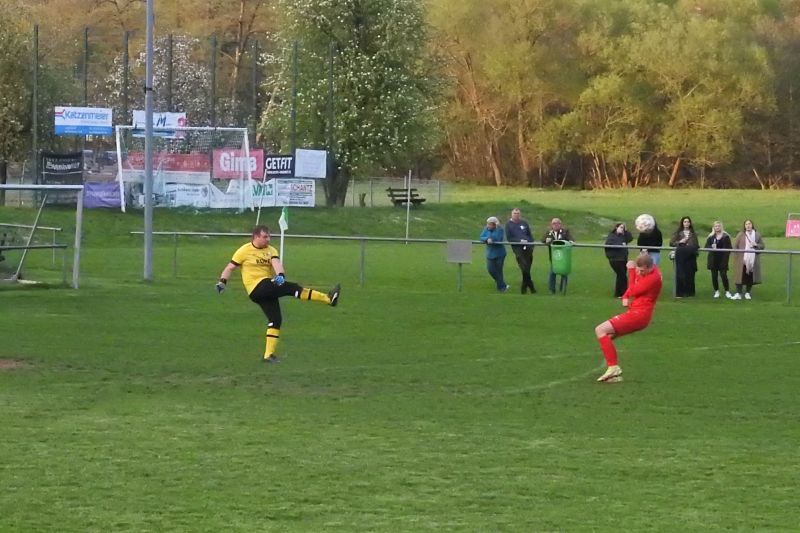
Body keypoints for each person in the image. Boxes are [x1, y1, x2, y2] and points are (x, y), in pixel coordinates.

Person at [216, 225, 341, 363]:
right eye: (265, 237)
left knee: (275, 320)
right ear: (256, 237)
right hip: (257, 288)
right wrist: (222, 282)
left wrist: (280, 275)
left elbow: (276, 264)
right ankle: (328, 299)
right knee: (292, 288)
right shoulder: (244, 250)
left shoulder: (271, 250)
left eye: (269, 236)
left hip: (266, 289)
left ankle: (268, 355)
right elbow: (230, 267)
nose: (268, 239)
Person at [594, 254, 663, 382]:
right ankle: (614, 375)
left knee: (600, 330)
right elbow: (634, 287)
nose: (639, 272)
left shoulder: (653, 278)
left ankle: (613, 367)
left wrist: (631, 271)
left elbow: (633, 290)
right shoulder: (648, 272)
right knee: (607, 336)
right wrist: (625, 296)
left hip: (639, 315)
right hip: (637, 313)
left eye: (642, 270)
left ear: (650, 267)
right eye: (638, 270)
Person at [731, 219, 765, 300]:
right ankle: (739, 293)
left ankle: (747, 293)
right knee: (739, 276)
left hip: (752, 260)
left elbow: (762, 246)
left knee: (750, 277)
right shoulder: (740, 235)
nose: (748, 225)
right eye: (746, 224)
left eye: (749, 224)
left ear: (752, 225)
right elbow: (735, 246)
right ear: (744, 226)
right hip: (742, 260)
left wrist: (756, 245)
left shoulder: (757, 235)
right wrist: (737, 257)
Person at [505, 208, 536, 294]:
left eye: (518, 213)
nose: (516, 215)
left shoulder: (524, 223)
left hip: (528, 247)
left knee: (527, 268)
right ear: (512, 214)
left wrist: (531, 244)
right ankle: (531, 287)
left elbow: (529, 235)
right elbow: (509, 238)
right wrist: (519, 241)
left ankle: (524, 288)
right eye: (515, 213)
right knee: (524, 268)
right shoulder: (508, 225)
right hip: (518, 249)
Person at [669, 216, 699, 298]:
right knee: (680, 274)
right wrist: (680, 242)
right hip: (681, 256)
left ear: (690, 223)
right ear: (682, 223)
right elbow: (671, 243)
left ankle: (690, 293)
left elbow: (696, 244)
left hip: (690, 256)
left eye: (688, 222)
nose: (686, 223)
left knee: (690, 274)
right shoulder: (678, 233)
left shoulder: (693, 234)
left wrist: (691, 247)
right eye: (685, 222)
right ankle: (680, 293)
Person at [542, 217, 574, 294]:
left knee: (564, 273)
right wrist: (546, 240)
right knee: (552, 273)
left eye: (557, 223)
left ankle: (563, 289)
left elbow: (570, 239)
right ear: (551, 225)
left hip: (564, 257)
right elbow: (543, 240)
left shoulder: (565, 232)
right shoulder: (549, 232)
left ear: (560, 224)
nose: (555, 225)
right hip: (554, 257)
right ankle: (551, 289)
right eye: (554, 223)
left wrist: (571, 241)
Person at [704, 220, 733, 299]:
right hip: (713, 259)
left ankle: (727, 291)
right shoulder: (711, 237)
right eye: (716, 226)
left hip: (722, 259)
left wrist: (725, 258)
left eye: (719, 226)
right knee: (714, 276)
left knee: (723, 275)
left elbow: (729, 248)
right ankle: (716, 291)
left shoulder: (725, 236)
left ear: (721, 227)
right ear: (714, 227)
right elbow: (706, 246)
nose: (717, 227)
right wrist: (711, 247)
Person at [604, 222, 633, 297]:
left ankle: (620, 293)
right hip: (615, 259)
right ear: (616, 227)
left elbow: (630, 238)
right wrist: (620, 245)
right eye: (621, 227)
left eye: (623, 228)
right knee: (622, 276)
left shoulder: (623, 236)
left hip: (623, 258)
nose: (622, 229)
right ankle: (622, 293)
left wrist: (626, 231)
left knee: (621, 276)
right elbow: (609, 244)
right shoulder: (611, 236)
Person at [480, 216, 508, 292]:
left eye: (490, 224)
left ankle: (501, 288)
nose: (488, 226)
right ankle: (502, 284)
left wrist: (490, 238)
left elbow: (498, 238)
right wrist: (487, 239)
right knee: (491, 270)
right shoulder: (486, 229)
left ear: (494, 224)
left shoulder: (499, 230)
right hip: (490, 254)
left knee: (499, 270)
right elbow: (481, 237)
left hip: (500, 254)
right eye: (487, 224)